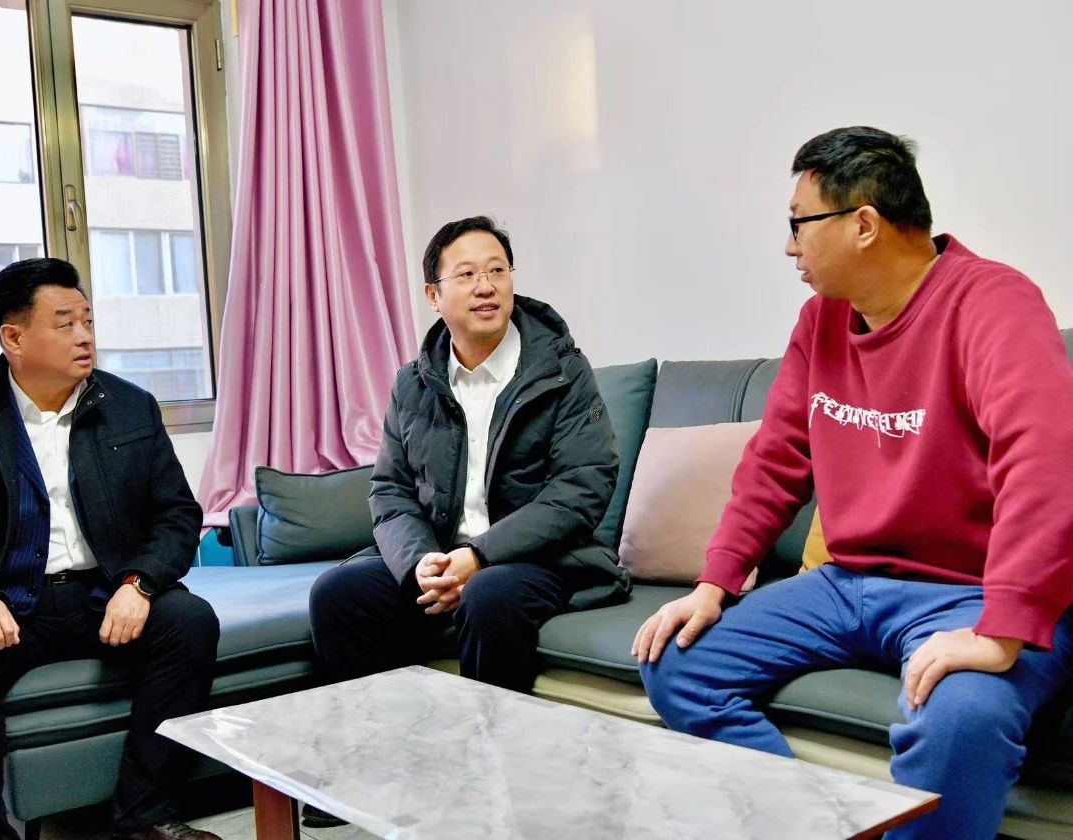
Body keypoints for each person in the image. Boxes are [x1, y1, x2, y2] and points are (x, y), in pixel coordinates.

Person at [633, 126, 1073, 839]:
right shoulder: (821, 321)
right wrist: (715, 584)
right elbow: (775, 460)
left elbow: (1045, 460)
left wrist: (1000, 632)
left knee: (964, 717)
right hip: (847, 584)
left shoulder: (994, 301)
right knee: (677, 664)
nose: (790, 248)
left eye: (799, 224)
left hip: (968, 590)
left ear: (863, 224)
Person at [0, 258, 221, 840]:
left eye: (87, 320)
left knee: (189, 621)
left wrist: (140, 582)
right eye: (64, 323)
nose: (85, 336)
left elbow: (176, 514)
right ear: (14, 337)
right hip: (7, 603)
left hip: (104, 594)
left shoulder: (130, 406)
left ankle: (145, 817)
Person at [310, 214, 630, 691]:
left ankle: (489, 740)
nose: (486, 286)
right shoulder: (413, 383)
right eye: (466, 274)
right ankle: (392, 734)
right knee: (338, 593)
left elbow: (582, 487)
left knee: (488, 594)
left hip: (541, 560)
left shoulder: (563, 371)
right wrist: (420, 563)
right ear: (433, 296)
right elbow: (391, 490)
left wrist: (479, 556)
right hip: (439, 554)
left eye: (498, 270)